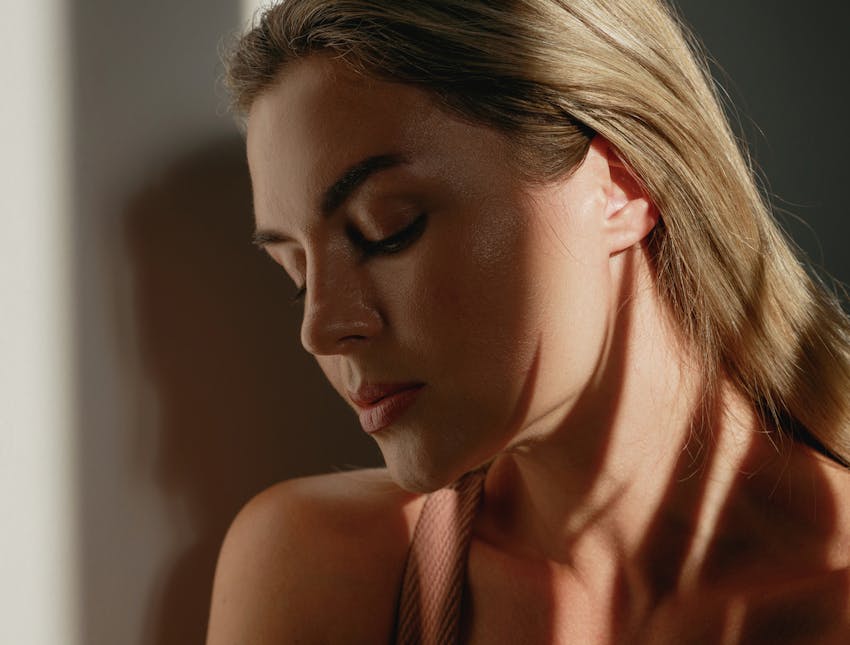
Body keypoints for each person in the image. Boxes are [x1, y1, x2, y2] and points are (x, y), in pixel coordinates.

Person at [206, 1, 850, 642]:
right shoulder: (323, 569)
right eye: (296, 275)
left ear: (624, 185)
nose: (319, 329)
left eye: (388, 229)